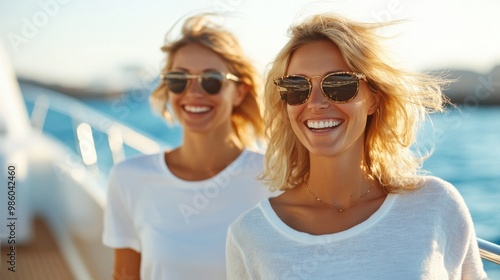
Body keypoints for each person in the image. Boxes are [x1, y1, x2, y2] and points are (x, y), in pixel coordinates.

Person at [226, 13, 487, 279]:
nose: (315, 103)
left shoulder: (436, 206)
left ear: (374, 98)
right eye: (296, 87)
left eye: (339, 84)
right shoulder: (251, 234)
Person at [102, 13, 274, 280]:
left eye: (211, 80)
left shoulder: (275, 178)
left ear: (239, 91)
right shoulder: (129, 179)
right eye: (179, 80)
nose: (193, 93)